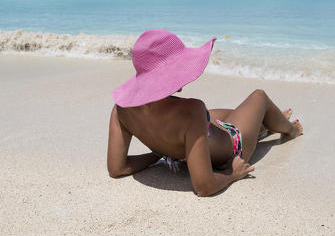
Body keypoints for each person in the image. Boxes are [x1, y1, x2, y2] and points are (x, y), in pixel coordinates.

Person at [107, 29, 303, 197]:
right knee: (259, 97)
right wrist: (232, 173)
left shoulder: (121, 110)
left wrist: (158, 155)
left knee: (218, 116)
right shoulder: (191, 110)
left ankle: (265, 125)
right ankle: (290, 130)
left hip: (183, 149)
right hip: (231, 148)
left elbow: (117, 168)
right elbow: (203, 186)